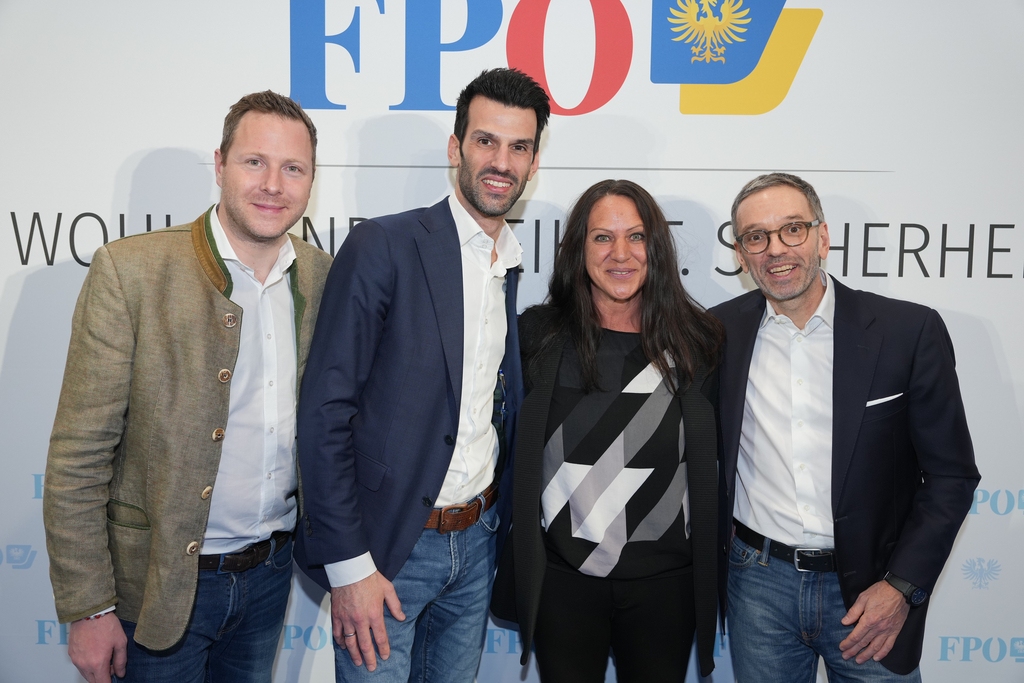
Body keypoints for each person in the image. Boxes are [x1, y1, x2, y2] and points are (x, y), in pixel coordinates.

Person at [42, 91, 333, 683]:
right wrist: (89, 607)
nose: (272, 184)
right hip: (154, 587)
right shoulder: (131, 271)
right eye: (254, 162)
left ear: (311, 181)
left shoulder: (321, 274)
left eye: (293, 168)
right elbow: (78, 456)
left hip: (270, 577)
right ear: (220, 164)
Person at [294, 67, 550, 683]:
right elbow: (325, 412)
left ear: (534, 162)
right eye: (486, 141)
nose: (501, 162)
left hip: (477, 542)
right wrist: (350, 566)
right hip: (387, 551)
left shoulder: (507, 264)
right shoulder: (385, 245)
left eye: (519, 147)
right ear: (456, 147)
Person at [711, 173, 980, 681]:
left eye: (792, 229)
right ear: (741, 255)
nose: (776, 249)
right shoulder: (716, 333)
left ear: (823, 237)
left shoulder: (907, 331)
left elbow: (952, 477)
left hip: (871, 591)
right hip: (757, 586)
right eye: (756, 237)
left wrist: (901, 587)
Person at [490, 179, 724, 681]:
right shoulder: (537, 336)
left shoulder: (697, 342)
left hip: (667, 587)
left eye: (636, 236)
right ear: (578, 249)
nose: (621, 253)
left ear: (656, 248)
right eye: (602, 237)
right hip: (562, 581)